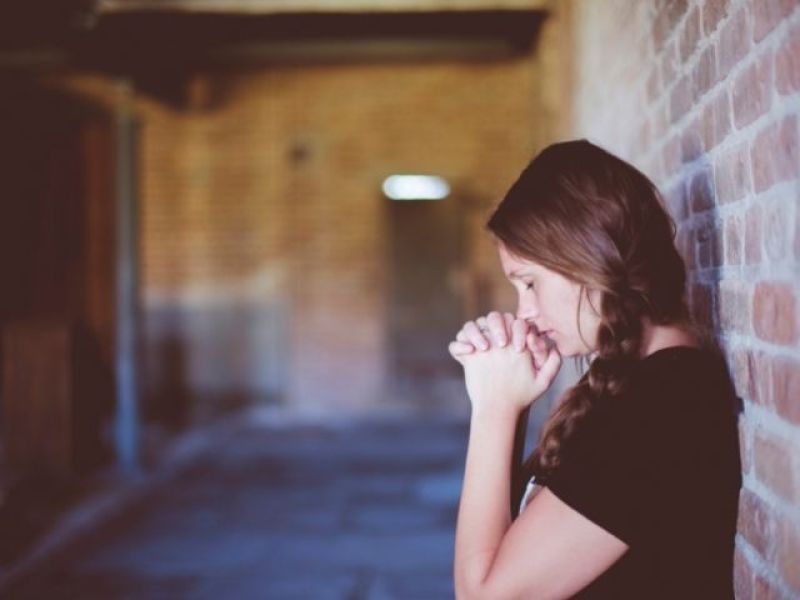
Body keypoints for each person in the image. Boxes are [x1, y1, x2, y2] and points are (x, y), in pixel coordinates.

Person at [448, 140, 742, 599]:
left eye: (530, 283)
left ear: (589, 259)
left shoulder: (665, 406)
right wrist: (516, 402)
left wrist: (494, 409)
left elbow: (485, 595)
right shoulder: (634, 382)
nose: (523, 311)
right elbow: (510, 546)